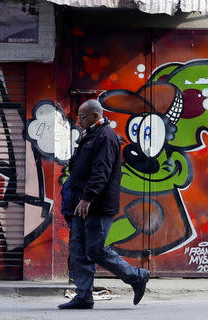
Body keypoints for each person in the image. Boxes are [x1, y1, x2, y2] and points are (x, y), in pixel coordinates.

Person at [58, 99, 150, 310]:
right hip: (80, 204)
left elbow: (101, 172)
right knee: (79, 250)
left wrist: (88, 198)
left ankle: (137, 276)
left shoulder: (106, 137)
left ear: (95, 116)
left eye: (82, 117)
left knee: (96, 249)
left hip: (96, 206)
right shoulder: (90, 135)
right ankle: (83, 296)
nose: (78, 121)